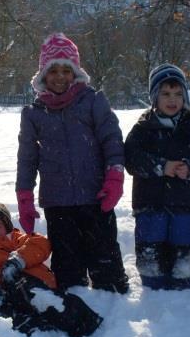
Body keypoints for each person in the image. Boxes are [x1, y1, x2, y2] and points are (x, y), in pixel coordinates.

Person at [16, 32, 129, 294]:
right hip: (58, 200)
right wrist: (24, 196)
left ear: (75, 72)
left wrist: (114, 177)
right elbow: (27, 157)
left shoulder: (92, 101)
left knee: (105, 262)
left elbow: (111, 139)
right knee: (68, 273)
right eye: (52, 70)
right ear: (43, 75)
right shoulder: (34, 113)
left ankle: (113, 304)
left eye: (66, 70)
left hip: (96, 195)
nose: (59, 76)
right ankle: (74, 298)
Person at [125, 63, 190, 289]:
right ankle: (152, 278)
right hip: (150, 203)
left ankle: (183, 278)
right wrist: (160, 166)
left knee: (182, 242)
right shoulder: (143, 129)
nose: (172, 99)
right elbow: (131, 158)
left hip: (183, 203)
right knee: (151, 241)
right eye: (165, 94)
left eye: (178, 94)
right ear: (154, 97)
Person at [0, 202, 103, 337]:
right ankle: (32, 329)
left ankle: (83, 321)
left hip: (30, 283)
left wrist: (17, 260)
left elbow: (41, 243)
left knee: (37, 295)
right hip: (8, 297)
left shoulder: (16, 240)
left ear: (7, 228)